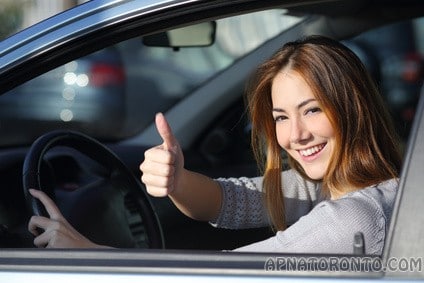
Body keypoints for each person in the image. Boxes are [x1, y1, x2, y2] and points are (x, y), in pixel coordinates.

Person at [28, 35, 401, 254]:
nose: (296, 135)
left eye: (313, 110)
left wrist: (86, 254)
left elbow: (220, 275)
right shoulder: (336, 185)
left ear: (353, 108)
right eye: (282, 117)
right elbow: (230, 200)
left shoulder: (354, 219)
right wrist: (177, 180)